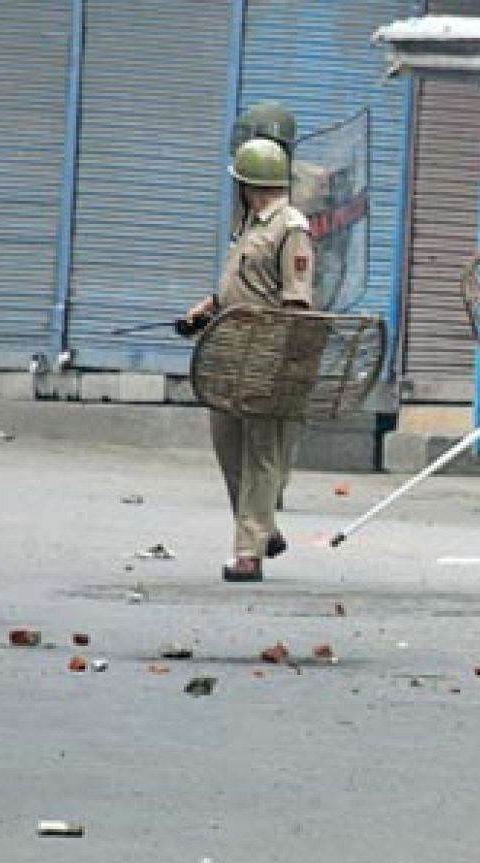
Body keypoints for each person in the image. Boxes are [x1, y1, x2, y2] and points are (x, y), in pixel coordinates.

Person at [181, 137, 316, 582]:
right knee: (227, 444)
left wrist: (283, 364)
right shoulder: (251, 226)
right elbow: (240, 285)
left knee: (261, 451)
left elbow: (296, 302)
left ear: (248, 185)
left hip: (265, 354)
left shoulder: (291, 228)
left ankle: (248, 551)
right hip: (228, 350)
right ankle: (265, 529)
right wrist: (206, 309)